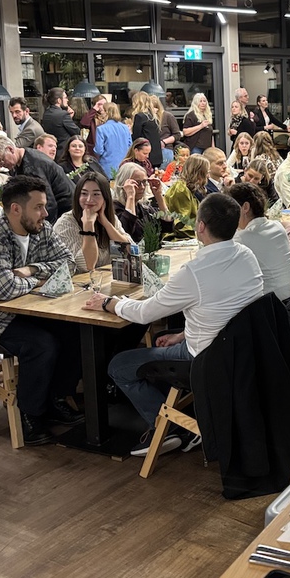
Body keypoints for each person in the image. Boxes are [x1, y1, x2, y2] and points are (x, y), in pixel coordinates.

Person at [93, 193, 265, 455]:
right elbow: (225, 312)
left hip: (206, 360)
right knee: (162, 339)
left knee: (119, 366)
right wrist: (183, 334)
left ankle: (170, 428)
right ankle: (181, 411)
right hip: (243, 352)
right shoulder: (247, 255)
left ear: (200, 226)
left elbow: (144, 313)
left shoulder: (194, 271)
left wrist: (109, 302)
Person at [0, 176, 83, 445]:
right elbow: (5, 289)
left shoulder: (41, 228)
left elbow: (70, 264)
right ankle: (30, 416)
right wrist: (41, 279)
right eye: (38, 207)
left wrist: (32, 269)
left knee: (76, 332)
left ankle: (55, 397)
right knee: (41, 344)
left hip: (25, 309)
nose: (45, 213)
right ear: (15, 209)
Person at [226, 182, 290, 300]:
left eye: (230, 209)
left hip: (277, 305)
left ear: (245, 207)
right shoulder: (277, 226)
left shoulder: (241, 239)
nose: (228, 215)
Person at [53, 172, 133, 274]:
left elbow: (130, 250)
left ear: (105, 198)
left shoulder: (109, 218)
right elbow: (87, 265)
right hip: (78, 282)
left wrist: (106, 223)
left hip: (105, 280)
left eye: (96, 194)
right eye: (84, 194)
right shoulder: (65, 224)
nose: (89, 199)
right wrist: (88, 227)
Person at [0, 133, 73, 224]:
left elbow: (47, 205)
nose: (1, 165)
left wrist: (42, 228)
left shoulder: (33, 167)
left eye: (1, 160)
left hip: (66, 215)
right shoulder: (25, 157)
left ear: (10, 149)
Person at [112, 162, 171, 243]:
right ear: (124, 184)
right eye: (137, 183)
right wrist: (130, 197)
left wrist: (159, 196)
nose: (142, 187)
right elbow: (126, 232)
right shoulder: (115, 209)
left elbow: (167, 226)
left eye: (144, 182)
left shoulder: (143, 208)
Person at [164, 154, 210, 239]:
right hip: (181, 236)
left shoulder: (192, 189)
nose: (208, 176)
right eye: (206, 172)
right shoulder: (181, 189)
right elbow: (182, 222)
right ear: (199, 172)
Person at [93, 101, 132, 178]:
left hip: (107, 166)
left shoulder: (101, 129)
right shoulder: (125, 128)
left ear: (107, 112)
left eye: (102, 111)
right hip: (124, 166)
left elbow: (99, 150)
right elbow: (130, 146)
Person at [40, 88, 81, 160]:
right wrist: (69, 117)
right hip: (63, 152)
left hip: (51, 151)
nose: (67, 100)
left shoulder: (46, 114)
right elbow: (76, 131)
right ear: (59, 100)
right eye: (65, 98)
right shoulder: (63, 114)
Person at [129, 91, 164, 169]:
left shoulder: (139, 116)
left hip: (145, 155)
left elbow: (136, 138)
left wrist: (129, 132)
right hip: (157, 155)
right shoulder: (154, 117)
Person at [157, 95, 181, 165]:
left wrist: (163, 142)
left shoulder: (168, 116)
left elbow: (177, 135)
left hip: (165, 149)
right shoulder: (148, 118)